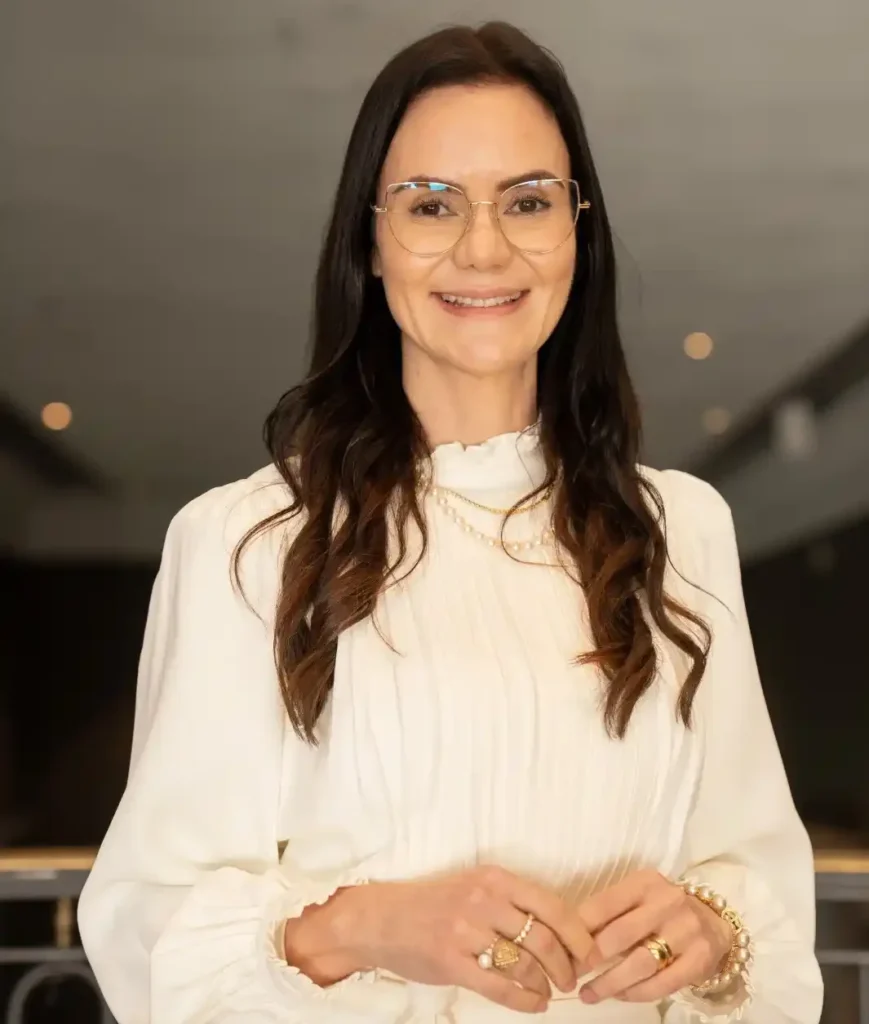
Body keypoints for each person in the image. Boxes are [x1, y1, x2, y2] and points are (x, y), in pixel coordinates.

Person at [78, 21, 823, 1024]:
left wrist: (712, 928)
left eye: (527, 201)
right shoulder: (248, 543)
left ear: (577, 233)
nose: (483, 247)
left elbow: (756, 872)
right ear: (370, 241)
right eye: (431, 204)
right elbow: (147, 931)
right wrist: (369, 925)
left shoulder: (678, 529)